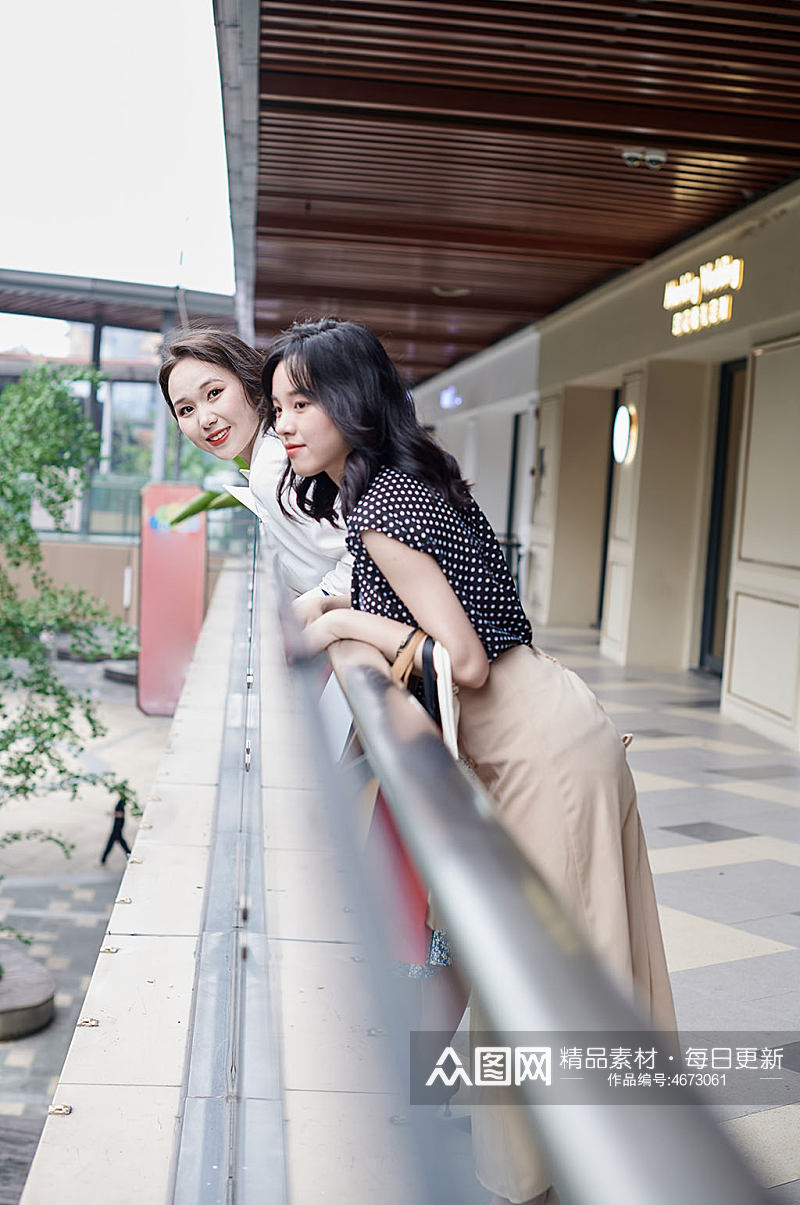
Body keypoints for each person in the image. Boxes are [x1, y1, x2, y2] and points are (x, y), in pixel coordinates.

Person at [262, 317, 677, 1205]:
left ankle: (587, 1175)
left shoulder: (383, 505)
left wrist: (339, 623)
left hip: (537, 745)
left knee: (561, 974)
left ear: (351, 401)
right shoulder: (397, 487)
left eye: (302, 402)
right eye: (279, 405)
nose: (285, 423)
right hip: (541, 726)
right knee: (563, 964)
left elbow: (465, 656)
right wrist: (341, 606)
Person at [157, 328, 352, 604]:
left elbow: (367, 547)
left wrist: (318, 601)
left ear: (250, 379)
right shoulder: (274, 452)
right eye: (186, 410)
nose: (205, 419)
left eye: (214, 393)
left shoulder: (276, 462)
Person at [100, 798, 131, 865]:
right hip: (117, 827)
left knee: (111, 844)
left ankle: (103, 860)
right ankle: (103, 860)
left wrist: (112, 813)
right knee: (122, 844)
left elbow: (121, 814)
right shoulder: (121, 802)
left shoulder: (121, 802)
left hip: (117, 828)